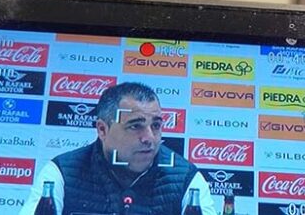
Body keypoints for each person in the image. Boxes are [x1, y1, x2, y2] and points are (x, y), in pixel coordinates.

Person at [20, 82, 216, 215]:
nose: (149, 138)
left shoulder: (187, 179)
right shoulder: (61, 172)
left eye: (155, 125)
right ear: (103, 129)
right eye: (135, 126)